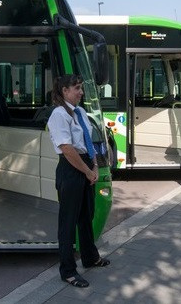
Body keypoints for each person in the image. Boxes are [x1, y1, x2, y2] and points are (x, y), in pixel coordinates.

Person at [46, 74, 110, 289]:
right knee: (68, 222)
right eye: (77, 88)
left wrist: (93, 167)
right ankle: (68, 271)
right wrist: (86, 171)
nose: (81, 92)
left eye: (81, 88)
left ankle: (90, 257)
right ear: (64, 91)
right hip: (70, 168)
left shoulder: (80, 112)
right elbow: (67, 149)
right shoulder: (58, 115)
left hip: (85, 166)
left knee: (86, 216)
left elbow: (86, 141)